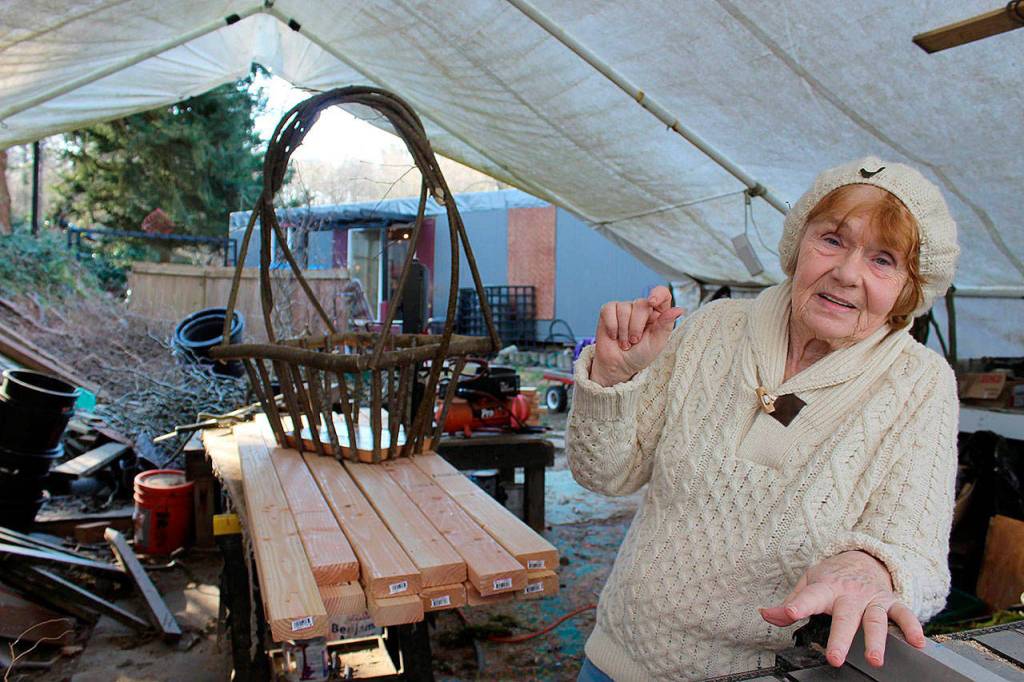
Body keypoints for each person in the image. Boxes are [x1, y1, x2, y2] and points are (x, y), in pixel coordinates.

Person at [566, 157, 960, 681]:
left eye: (883, 260)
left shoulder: (919, 383)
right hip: (621, 655)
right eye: (833, 240)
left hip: (763, 674)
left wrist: (870, 567)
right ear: (798, 245)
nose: (846, 273)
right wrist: (613, 380)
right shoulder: (714, 327)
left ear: (909, 290)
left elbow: (918, 554)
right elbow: (605, 475)